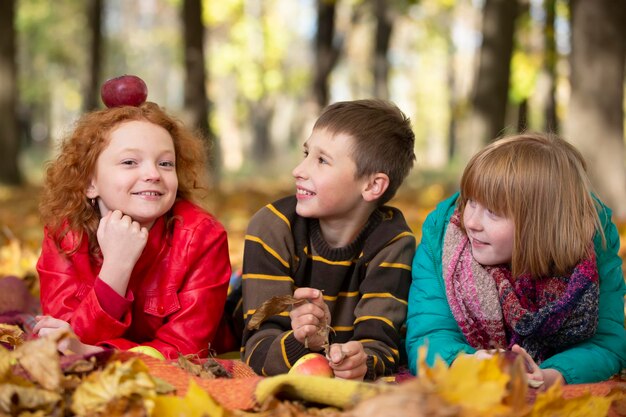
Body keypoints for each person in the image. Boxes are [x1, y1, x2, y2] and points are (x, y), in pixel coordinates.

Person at [405, 133, 626, 387]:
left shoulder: (593, 241)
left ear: (540, 226)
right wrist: (468, 363)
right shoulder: (443, 238)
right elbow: (428, 334)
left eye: (493, 212)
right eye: (471, 201)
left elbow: (606, 341)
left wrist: (553, 375)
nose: (472, 223)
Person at [34, 93, 235, 359]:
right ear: (89, 182)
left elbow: (186, 350)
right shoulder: (65, 234)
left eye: (165, 163)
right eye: (130, 162)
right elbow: (62, 342)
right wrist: (116, 267)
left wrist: (97, 352)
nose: (153, 174)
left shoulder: (203, 237)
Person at [240, 99, 417, 381]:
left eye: (322, 160)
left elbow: (382, 347)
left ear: (372, 186)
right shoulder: (272, 226)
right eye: (307, 153)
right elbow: (256, 350)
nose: (299, 169)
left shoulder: (393, 243)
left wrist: (361, 363)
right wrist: (301, 340)